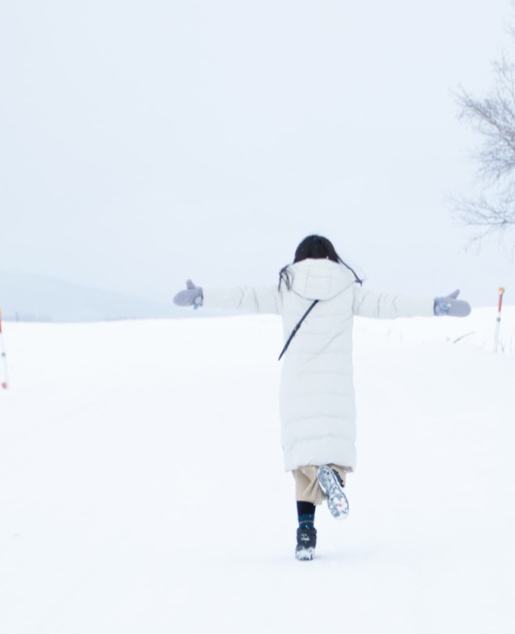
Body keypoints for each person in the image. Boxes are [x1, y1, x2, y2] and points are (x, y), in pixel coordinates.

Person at [173, 235, 470, 560]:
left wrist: (202, 295)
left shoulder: (286, 287)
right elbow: (390, 304)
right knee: (333, 448)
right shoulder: (346, 289)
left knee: (303, 463)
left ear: (299, 258)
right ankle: (331, 477)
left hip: (298, 386)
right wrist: (435, 305)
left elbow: (244, 296)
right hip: (336, 385)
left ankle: (305, 534)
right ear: (332, 257)